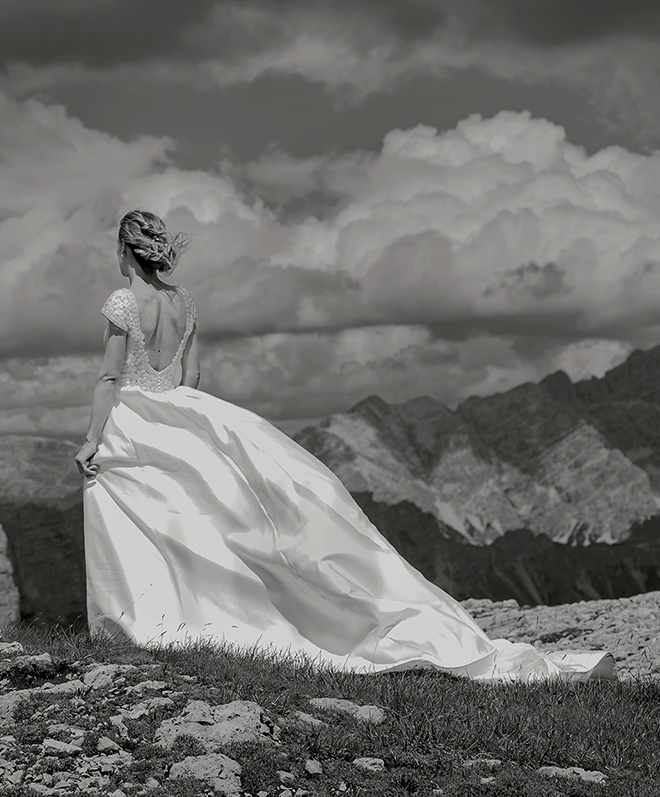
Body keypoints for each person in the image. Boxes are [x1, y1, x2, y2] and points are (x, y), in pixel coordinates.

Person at [75, 209, 614, 682]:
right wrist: (183, 424)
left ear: (126, 249)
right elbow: (192, 374)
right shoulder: (183, 302)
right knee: (210, 525)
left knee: (154, 527)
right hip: (188, 415)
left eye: (116, 248)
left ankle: (152, 620)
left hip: (133, 420)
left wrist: (92, 439)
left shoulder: (123, 301)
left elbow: (107, 378)